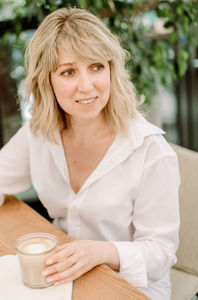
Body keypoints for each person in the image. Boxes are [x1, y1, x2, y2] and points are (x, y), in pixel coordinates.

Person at [0, 7, 180, 300]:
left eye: (96, 66)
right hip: (63, 274)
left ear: (111, 69)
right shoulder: (39, 133)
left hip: (132, 287)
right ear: (47, 80)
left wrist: (101, 252)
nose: (87, 85)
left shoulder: (150, 151)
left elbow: (160, 255)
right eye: (68, 71)